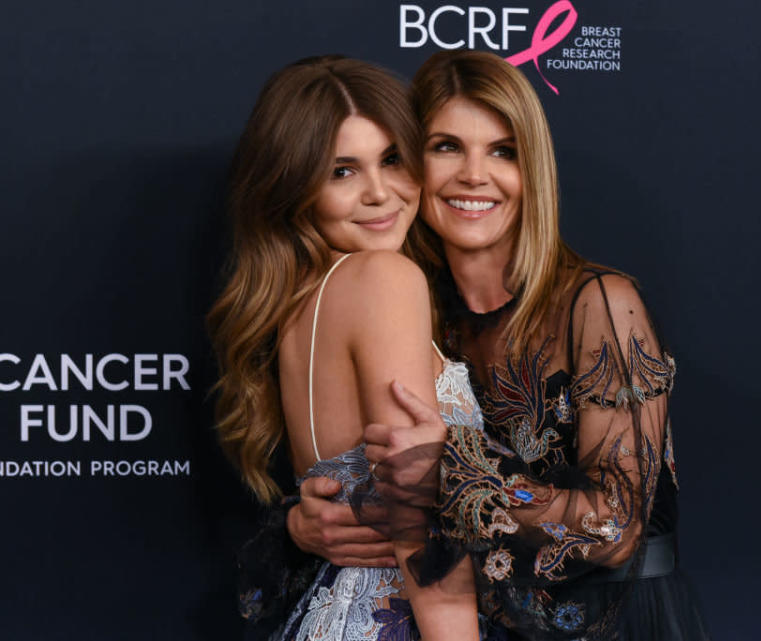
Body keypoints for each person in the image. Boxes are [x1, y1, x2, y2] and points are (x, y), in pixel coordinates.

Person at [290, 50, 710, 641]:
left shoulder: (601, 305)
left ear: (532, 168)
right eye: (446, 147)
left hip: (608, 626)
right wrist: (305, 523)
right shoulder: (411, 309)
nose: (473, 176)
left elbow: (617, 531)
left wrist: (451, 468)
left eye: (502, 151)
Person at [207, 55, 484, 641]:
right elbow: (418, 514)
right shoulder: (383, 278)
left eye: (392, 159)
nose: (380, 193)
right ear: (293, 185)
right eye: (342, 171)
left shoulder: (301, 303)